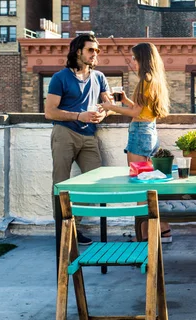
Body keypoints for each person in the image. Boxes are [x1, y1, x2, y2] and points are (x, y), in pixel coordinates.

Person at [101, 42, 171, 242]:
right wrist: (124, 100)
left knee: (139, 187)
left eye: (134, 58)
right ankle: (163, 230)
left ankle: (144, 238)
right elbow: (142, 110)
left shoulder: (143, 81)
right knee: (151, 186)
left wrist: (110, 107)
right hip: (150, 132)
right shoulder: (155, 80)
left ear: (141, 59)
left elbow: (134, 114)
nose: (133, 61)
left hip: (140, 132)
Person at [45, 34, 111, 246]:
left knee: (94, 182)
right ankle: (63, 232)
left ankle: (72, 225)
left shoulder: (99, 77)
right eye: (91, 50)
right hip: (64, 133)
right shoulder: (60, 78)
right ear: (78, 52)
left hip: (89, 135)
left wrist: (104, 115)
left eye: (97, 51)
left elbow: (108, 105)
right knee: (61, 184)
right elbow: (50, 112)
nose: (95, 54)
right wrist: (77, 116)